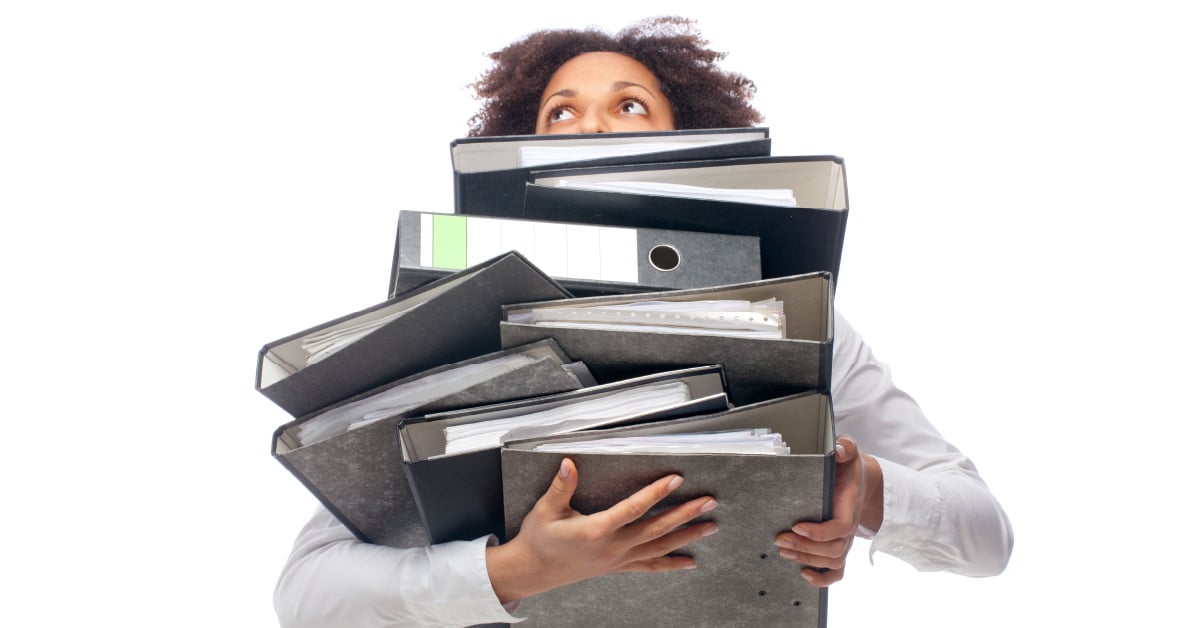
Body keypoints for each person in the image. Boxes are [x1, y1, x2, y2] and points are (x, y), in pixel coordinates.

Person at [275, 16, 1014, 628]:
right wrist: (513, 571)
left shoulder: (792, 318)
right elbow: (307, 594)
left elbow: (987, 537)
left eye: (630, 105)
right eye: (558, 111)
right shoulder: (448, 328)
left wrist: (867, 490)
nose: (590, 124)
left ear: (686, 149)